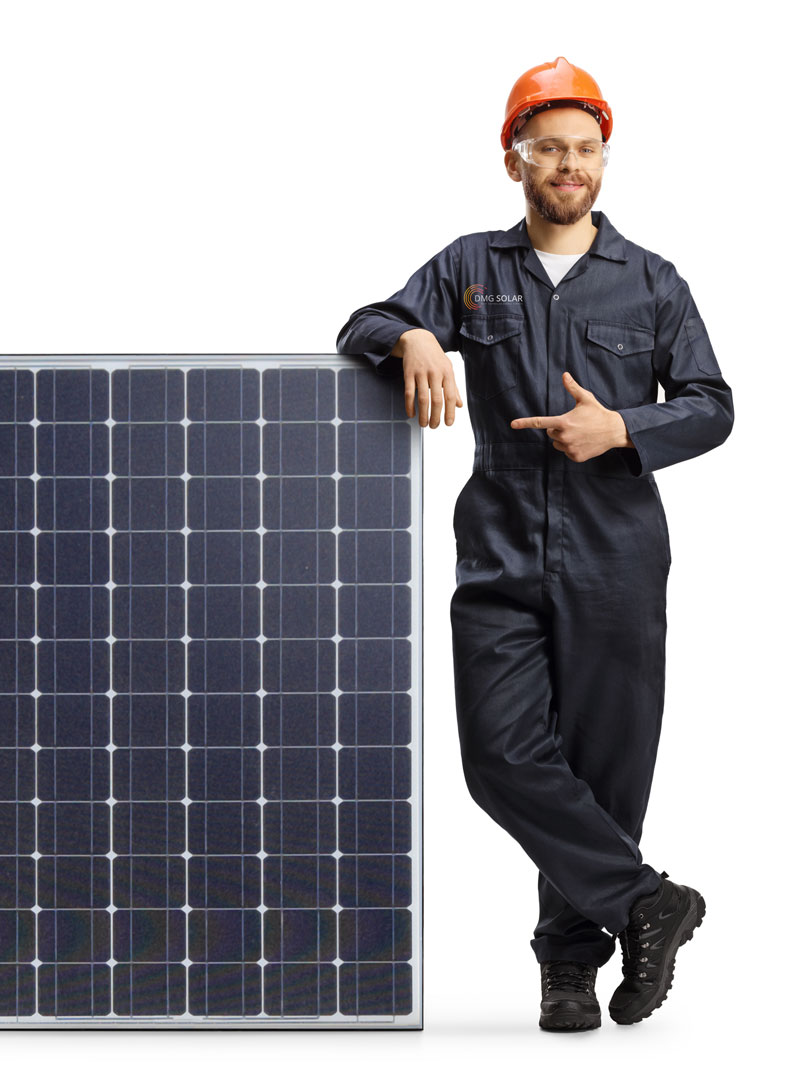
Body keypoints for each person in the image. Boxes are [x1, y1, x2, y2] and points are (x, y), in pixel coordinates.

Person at [335, 56, 734, 1030]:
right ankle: (647, 901)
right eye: (549, 148)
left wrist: (624, 427)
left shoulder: (652, 282)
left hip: (616, 553)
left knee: (603, 766)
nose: (569, 165)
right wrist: (410, 337)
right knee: (499, 754)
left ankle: (568, 969)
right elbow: (363, 322)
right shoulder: (470, 267)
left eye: (584, 148)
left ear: (604, 158)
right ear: (512, 159)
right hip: (500, 549)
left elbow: (711, 405)